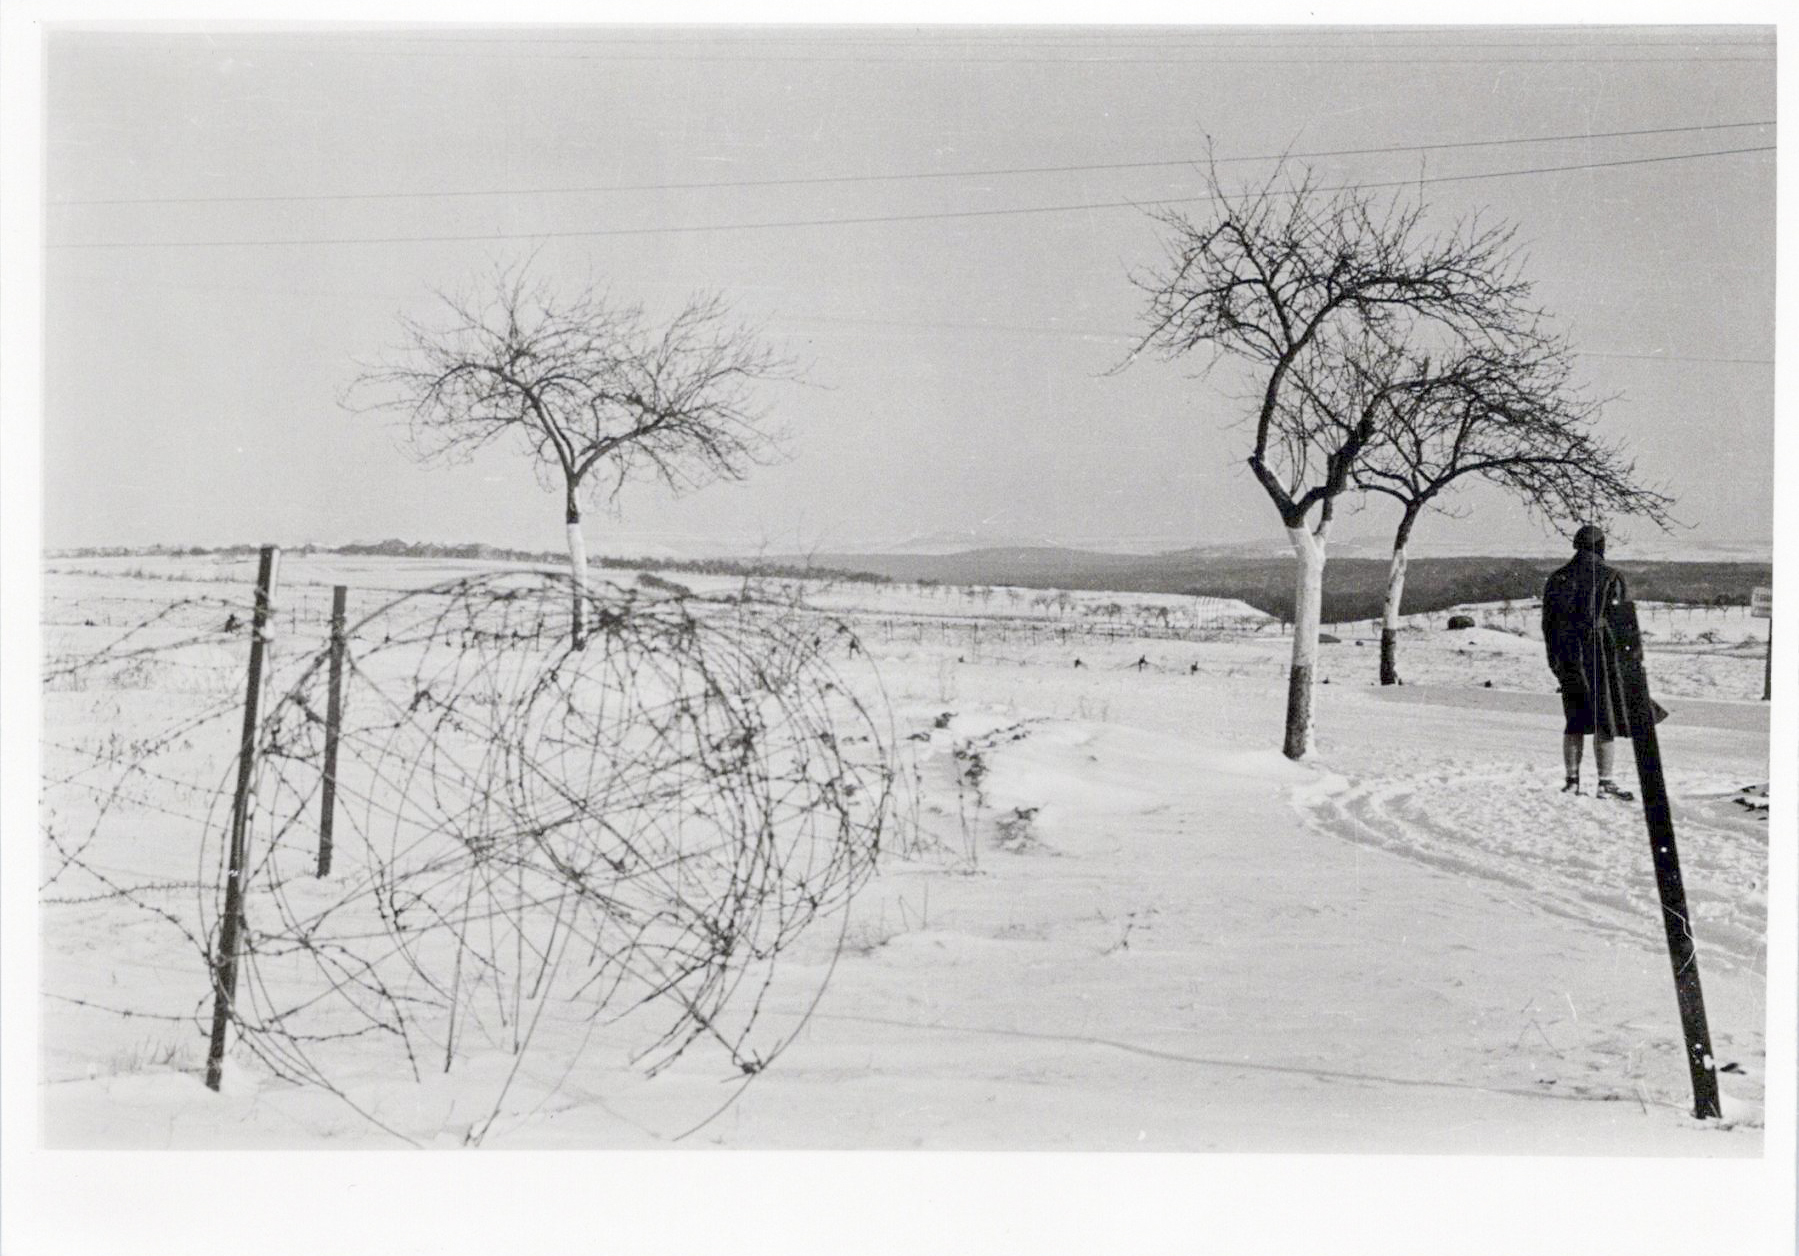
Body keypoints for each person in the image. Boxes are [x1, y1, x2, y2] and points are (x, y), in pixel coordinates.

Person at [1541, 524, 1635, 801]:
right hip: (1601, 656)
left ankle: (1572, 781)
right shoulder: (1611, 576)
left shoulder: (1557, 578)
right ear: (1601, 547)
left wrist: (1555, 662)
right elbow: (1622, 626)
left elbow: (1548, 625)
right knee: (1604, 720)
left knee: (1574, 720)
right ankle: (1605, 783)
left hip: (1568, 655)